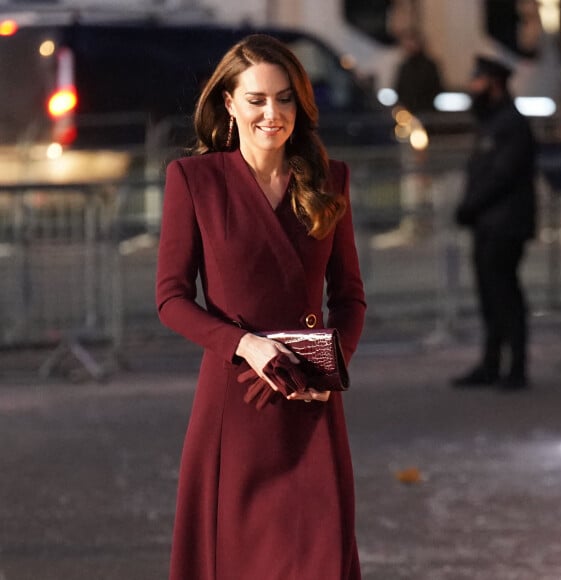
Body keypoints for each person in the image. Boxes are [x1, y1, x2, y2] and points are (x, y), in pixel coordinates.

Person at [155, 34, 366, 579]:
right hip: (235, 404)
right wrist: (242, 344)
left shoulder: (329, 178)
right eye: (257, 99)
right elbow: (170, 298)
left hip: (312, 401)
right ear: (229, 103)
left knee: (317, 558)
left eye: (285, 98)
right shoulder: (193, 180)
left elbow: (348, 297)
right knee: (238, 561)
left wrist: (332, 368)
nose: (273, 113)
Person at [452, 55, 537, 391]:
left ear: (494, 83)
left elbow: (502, 175)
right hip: (489, 223)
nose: (472, 87)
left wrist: (470, 206)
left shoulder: (510, 123)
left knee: (505, 295)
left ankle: (515, 368)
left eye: (477, 80)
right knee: (491, 295)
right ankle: (491, 364)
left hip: (505, 225)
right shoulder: (493, 121)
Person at [394, 29, 443, 115]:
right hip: (408, 112)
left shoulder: (429, 65)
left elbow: (436, 88)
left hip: (427, 112)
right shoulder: (405, 66)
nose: (409, 45)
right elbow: (399, 89)